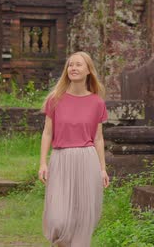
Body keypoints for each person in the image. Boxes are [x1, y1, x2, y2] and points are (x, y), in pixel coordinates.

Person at [39, 51, 110, 247]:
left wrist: (102, 168)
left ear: (88, 70)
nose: (74, 68)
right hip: (61, 159)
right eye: (70, 65)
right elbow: (46, 133)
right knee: (59, 220)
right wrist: (43, 163)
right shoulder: (55, 99)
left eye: (79, 64)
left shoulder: (97, 102)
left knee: (82, 219)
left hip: (87, 160)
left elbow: (98, 138)